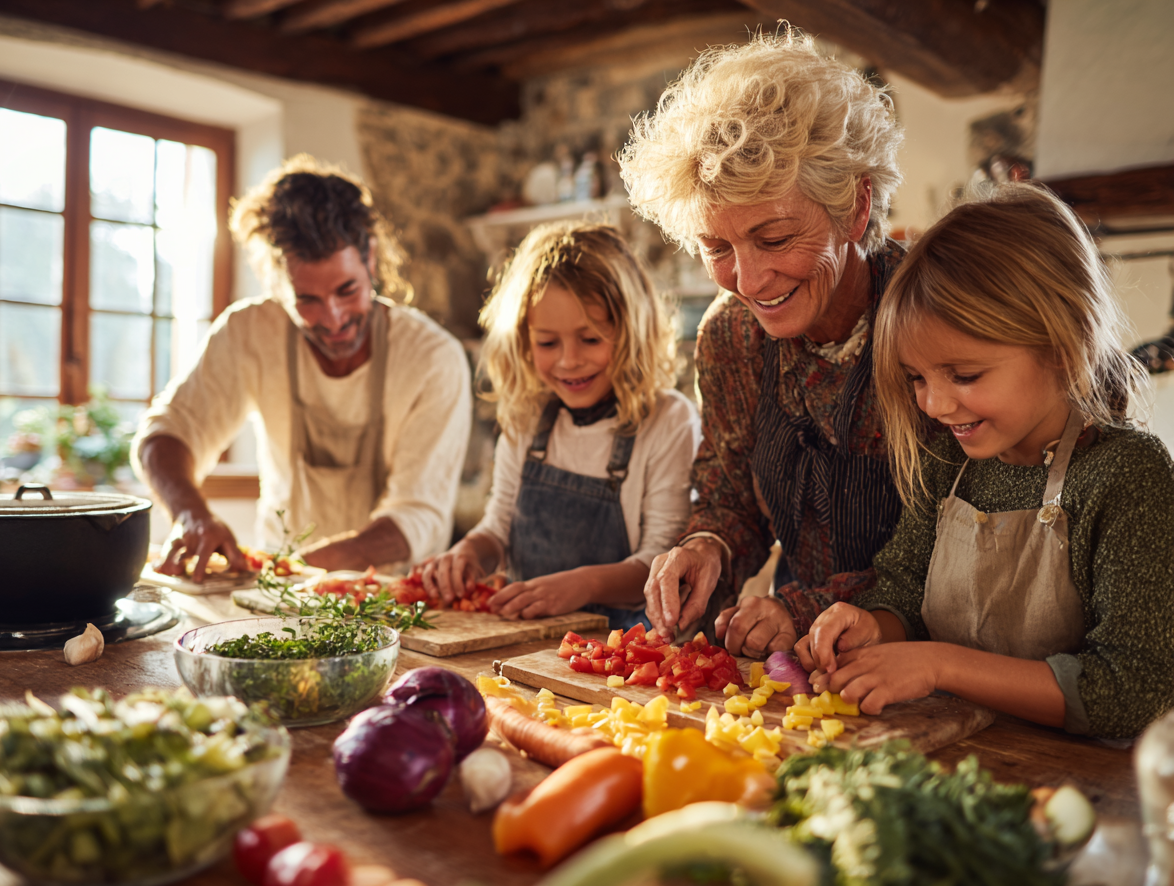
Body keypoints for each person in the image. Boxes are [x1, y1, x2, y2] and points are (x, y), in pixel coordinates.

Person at [796, 184, 1174, 739]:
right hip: (965, 752)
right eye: (917, 378)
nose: (934, 404)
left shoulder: (1126, 476)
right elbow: (903, 590)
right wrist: (871, 628)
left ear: (1061, 345)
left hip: (1092, 789)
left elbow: (1131, 688)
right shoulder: (951, 461)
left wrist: (939, 664)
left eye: (965, 376)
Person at [617, 31, 906, 652]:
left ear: (856, 206)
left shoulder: (931, 320)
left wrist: (799, 609)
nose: (748, 281)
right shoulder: (731, 336)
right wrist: (708, 547)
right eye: (717, 249)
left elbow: (956, 549)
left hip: (935, 658)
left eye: (773, 239)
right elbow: (728, 492)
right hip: (803, 665)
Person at [133, 155, 472, 578]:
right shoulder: (250, 331)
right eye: (307, 300)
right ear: (277, 285)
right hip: (276, 587)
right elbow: (165, 436)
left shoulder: (433, 357)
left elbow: (418, 516)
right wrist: (193, 516)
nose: (332, 318)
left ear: (370, 260)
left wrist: (300, 567)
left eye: (347, 290)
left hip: (392, 592)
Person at [418, 222, 700, 628]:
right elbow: (497, 529)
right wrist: (468, 552)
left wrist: (582, 585)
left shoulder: (669, 421)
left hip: (624, 654)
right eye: (547, 343)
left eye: (590, 339)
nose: (569, 361)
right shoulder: (528, 415)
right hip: (523, 644)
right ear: (521, 340)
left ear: (632, 332)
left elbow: (659, 563)